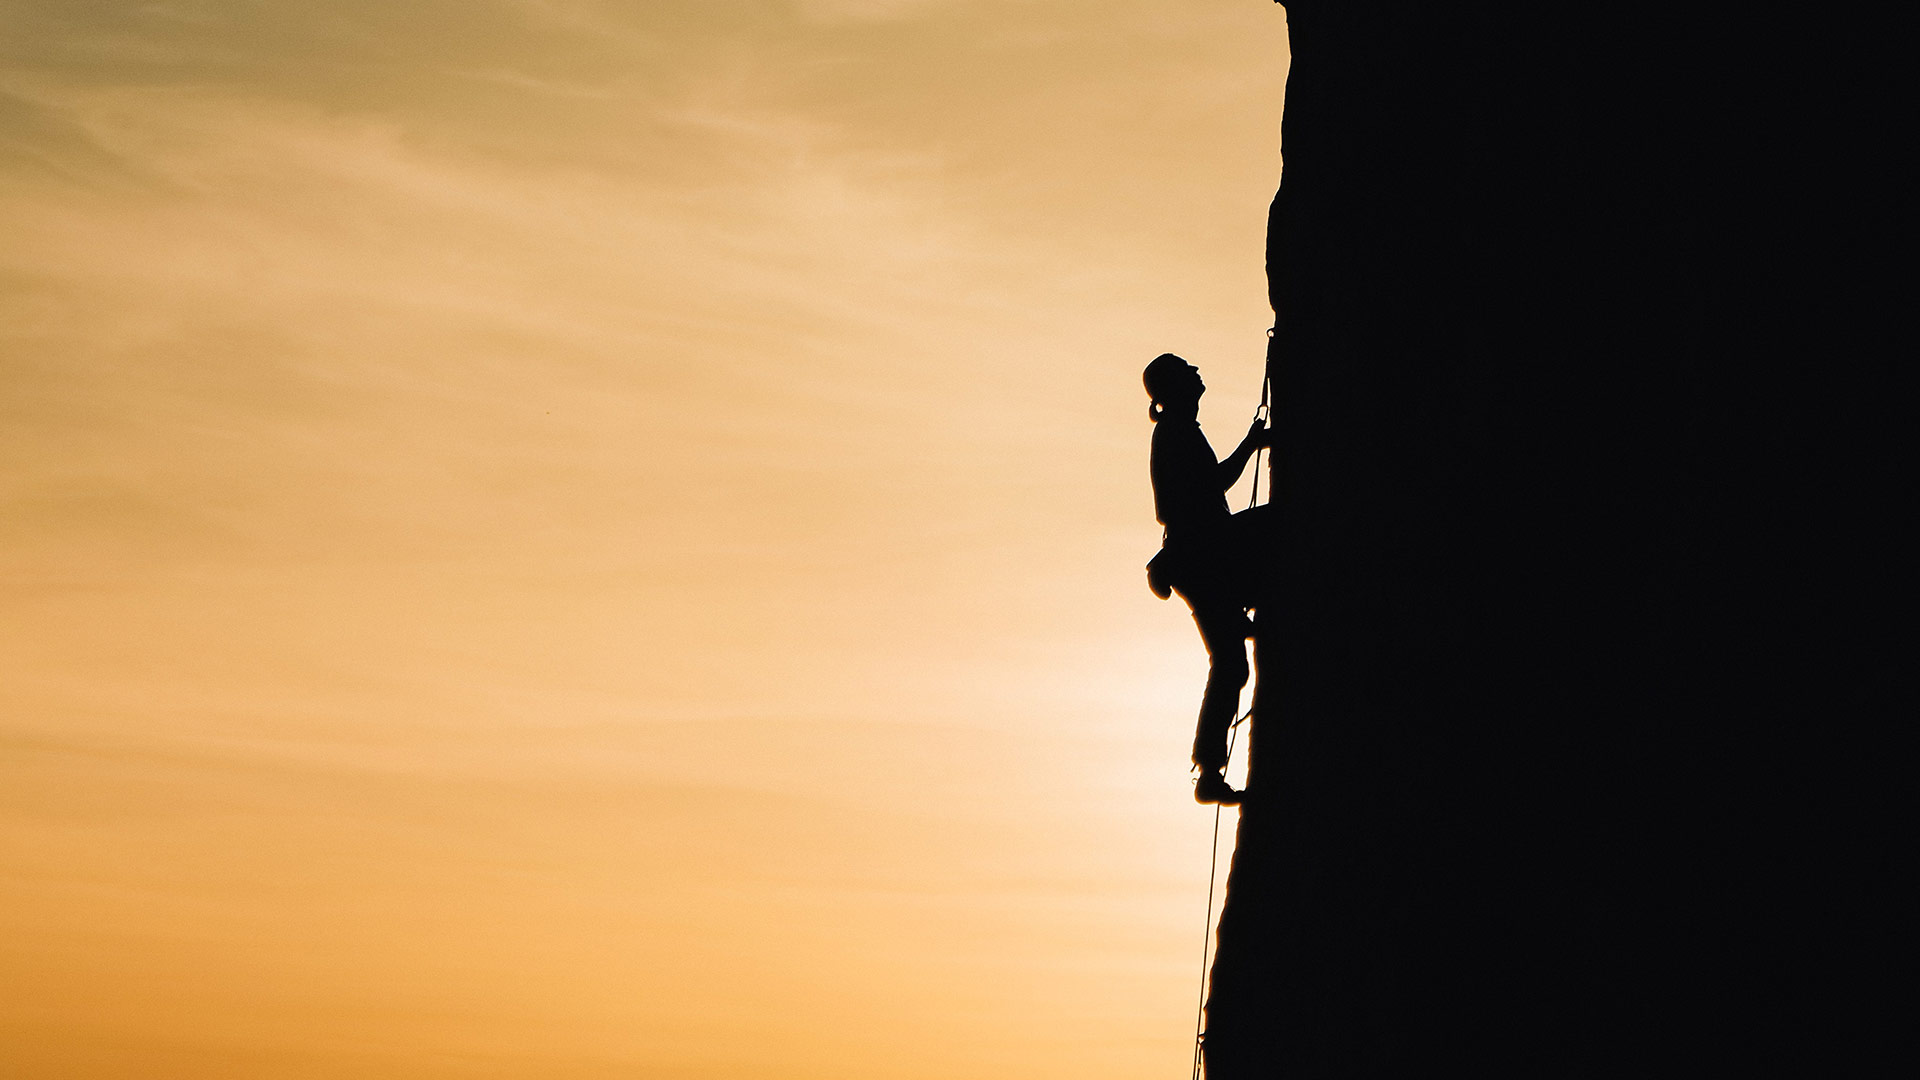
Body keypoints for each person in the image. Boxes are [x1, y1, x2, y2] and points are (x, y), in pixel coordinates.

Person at [1143, 352, 1270, 805]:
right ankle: (1209, 771)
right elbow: (1212, 486)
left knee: (1231, 663)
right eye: (1188, 371)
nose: (1198, 373)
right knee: (1231, 663)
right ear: (1176, 389)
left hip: (1200, 557)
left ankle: (1209, 771)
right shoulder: (1175, 434)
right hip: (1202, 557)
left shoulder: (1178, 432)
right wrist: (1251, 445)